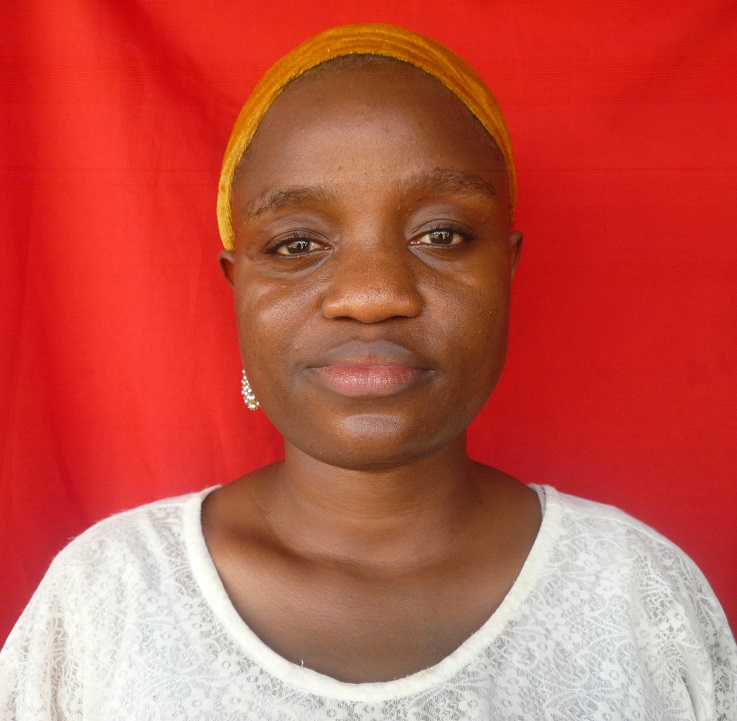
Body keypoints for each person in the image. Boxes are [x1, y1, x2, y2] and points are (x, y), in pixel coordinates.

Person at [1, 23, 735, 720]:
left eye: (441, 234)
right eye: (296, 245)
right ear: (237, 284)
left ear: (506, 269)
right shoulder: (108, 601)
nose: (373, 294)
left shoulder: (637, 596)